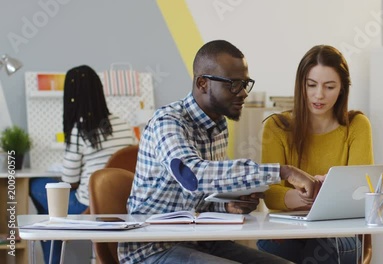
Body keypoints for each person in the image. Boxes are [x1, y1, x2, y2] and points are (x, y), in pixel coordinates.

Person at [118, 40, 320, 264]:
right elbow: (194, 176)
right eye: (233, 84)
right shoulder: (167, 122)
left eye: (245, 83)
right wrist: (283, 172)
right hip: (153, 248)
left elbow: (199, 199)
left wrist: (227, 205)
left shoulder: (219, 126)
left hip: (202, 240)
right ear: (203, 83)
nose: (243, 93)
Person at [256, 45, 374, 263]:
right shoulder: (276, 127)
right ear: (301, 85)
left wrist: (327, 191)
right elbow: (271, 194)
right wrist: (304, 195)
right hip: (289, 228)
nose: (319, 95)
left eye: (329, 87)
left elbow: (362, 191)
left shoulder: (357, 126)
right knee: (268, 246)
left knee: (322, 246)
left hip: (341, 232)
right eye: (311, 85)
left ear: (342, 89)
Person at [29, 65, 136, 264]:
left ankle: (53, 254)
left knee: (37, 186)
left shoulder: (80, 130)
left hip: (89, 205)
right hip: (121, 202)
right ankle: (56, 226)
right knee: (51, 211)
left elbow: (69, 181)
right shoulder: (123, 124)